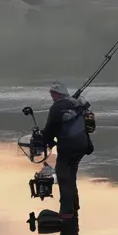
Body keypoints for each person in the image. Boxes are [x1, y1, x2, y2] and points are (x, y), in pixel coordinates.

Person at [40, 81, 92, 219]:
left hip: (69, 146)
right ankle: (74, 205)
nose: (51, 96)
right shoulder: (76, 103)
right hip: (82, 144)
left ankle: (67, 212)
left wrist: (43, 139)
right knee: (71, 174)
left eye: (52, 93)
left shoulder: (57, 107)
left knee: (63, 175)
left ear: (57, 94)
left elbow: (50, 129)